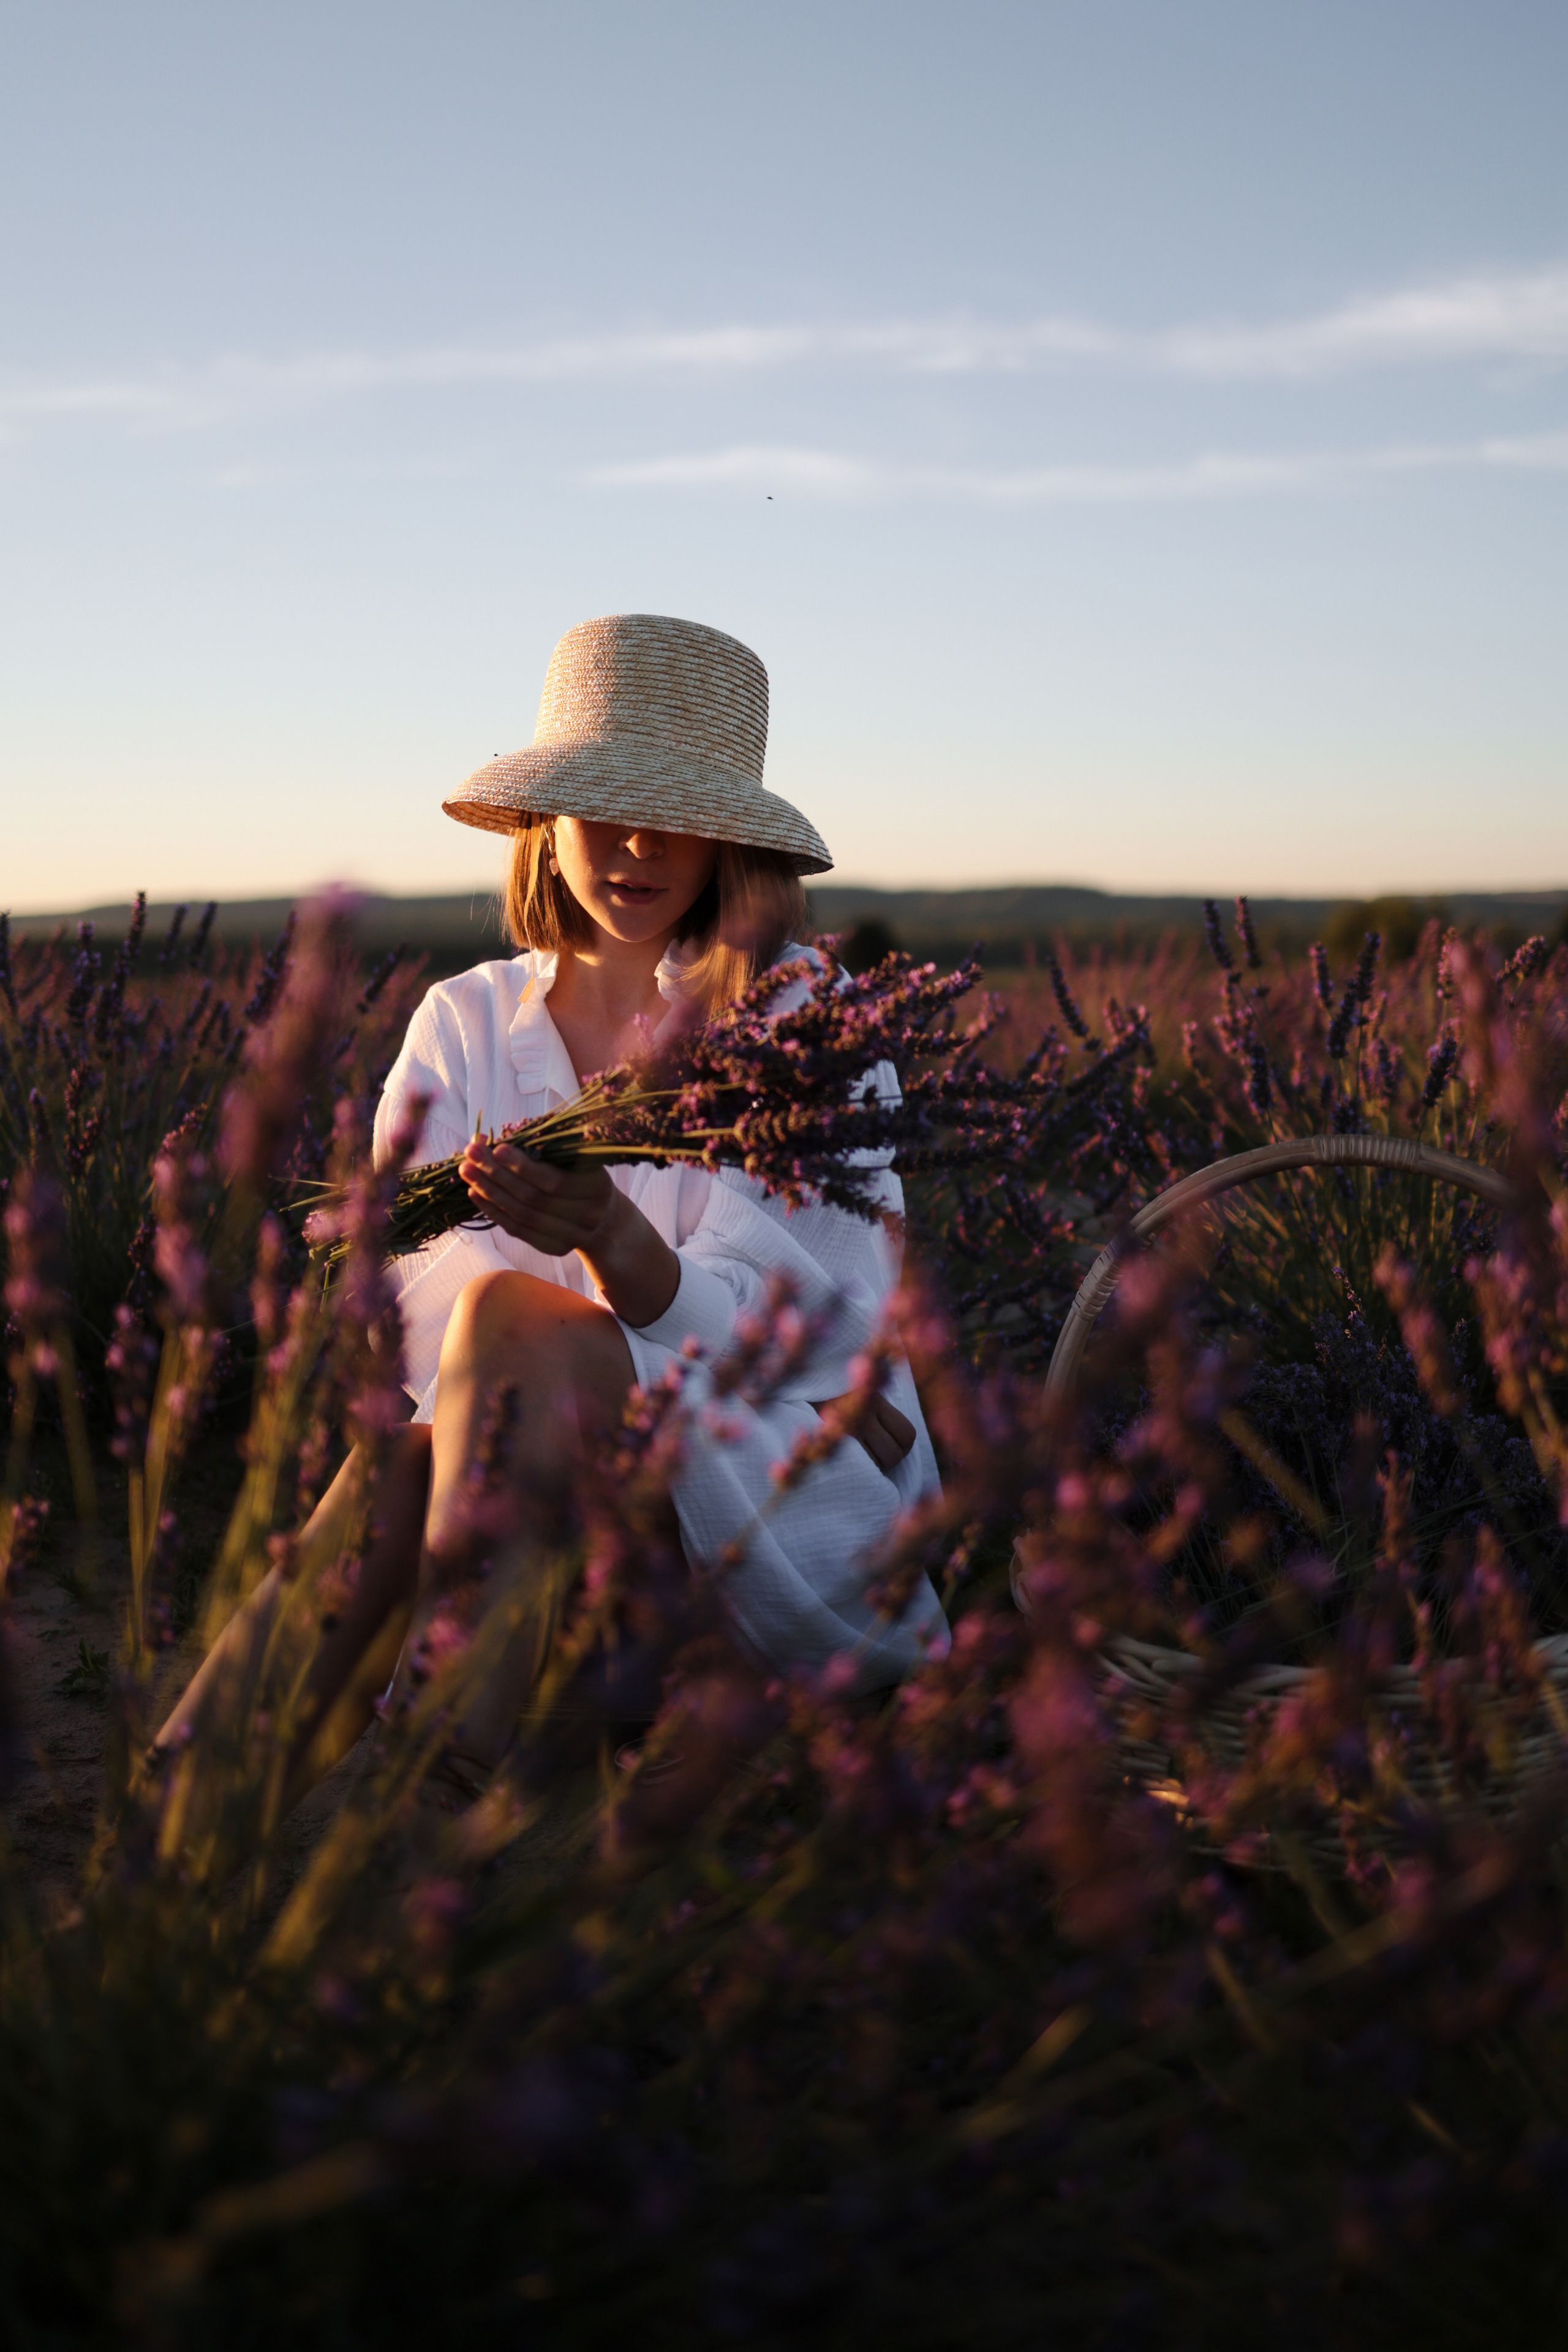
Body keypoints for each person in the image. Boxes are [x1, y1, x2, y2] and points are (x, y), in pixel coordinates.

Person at [157, 614, 948, 1804]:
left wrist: (612, 1248)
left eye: (676, 814)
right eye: (600, 806)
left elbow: (811, 1339)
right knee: (428, 1435)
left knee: (501, 1347)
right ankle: (210, 1803)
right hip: (509, 1465)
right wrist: (551, 1334)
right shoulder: (464, 1018)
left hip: (778, 1471)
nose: (635, 845)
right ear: (543, 822)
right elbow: (407, 1318)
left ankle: (390, 1787)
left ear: (732, 841)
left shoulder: (801, 1026)